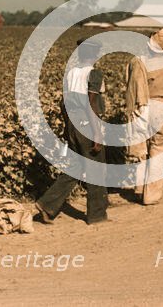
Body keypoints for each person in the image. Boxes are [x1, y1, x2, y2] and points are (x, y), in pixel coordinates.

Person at [34, 38, 109, 225]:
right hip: (87, 124)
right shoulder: (94, 74)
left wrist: (68, 129)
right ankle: (97, 215)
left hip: (73, 124)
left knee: (75, 168)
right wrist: (97, 133)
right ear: (94, 55)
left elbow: (64, 103)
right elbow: (91, 104)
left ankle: (48, 204)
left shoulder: (71, 74)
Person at [125, 29, 163, 205]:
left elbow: (127, 81)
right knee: (159, 149)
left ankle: (139, 188)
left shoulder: (139, 63)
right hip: (161, 107)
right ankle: (151, 195)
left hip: (142, 107)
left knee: (142, 148)